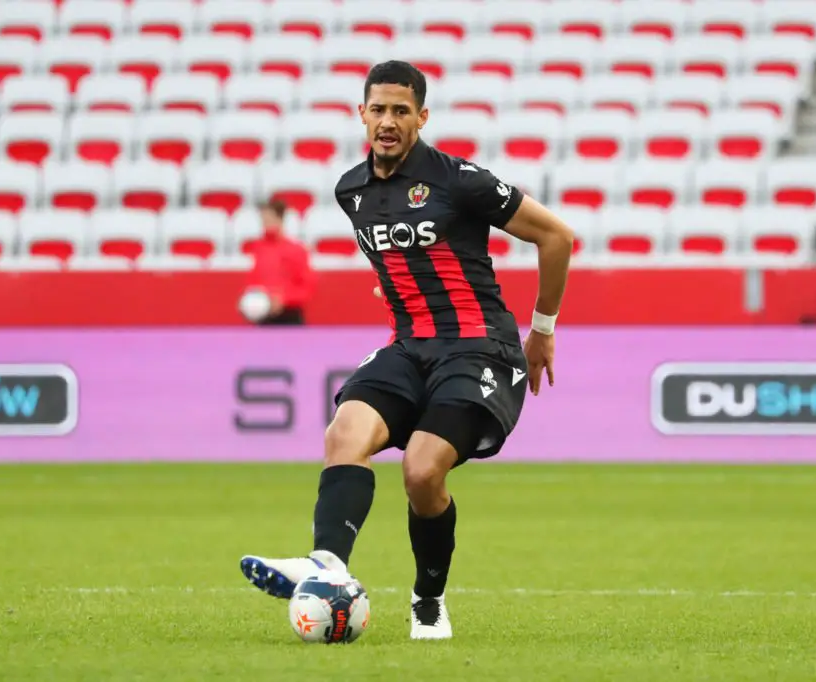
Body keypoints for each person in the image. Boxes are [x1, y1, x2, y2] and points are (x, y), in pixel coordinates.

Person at [239, 61, 574, 640]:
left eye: (401, 110)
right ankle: (327, 566)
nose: (388, 121)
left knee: (421, 471)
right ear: (362, 114)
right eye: (378, 109)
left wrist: (542, 329)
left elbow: (556, 236)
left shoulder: (460, 180)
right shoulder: (351, 191)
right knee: (344, 433)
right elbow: (399, 258)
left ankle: (428, 598)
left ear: (422, 117)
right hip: (409, 345)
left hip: (480, 349)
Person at [243, 199, 315, 325]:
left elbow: (307, 286)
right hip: (264, 314)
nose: (266, 224)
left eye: (269, 220)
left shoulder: (296, 250)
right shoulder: (258, 248)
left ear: (280, 219)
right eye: (263, 220)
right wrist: (249, 299)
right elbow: (253, 280)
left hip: (290, 316)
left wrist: (284, 299)